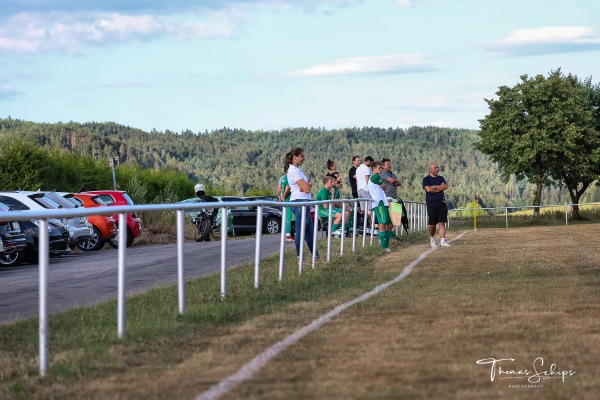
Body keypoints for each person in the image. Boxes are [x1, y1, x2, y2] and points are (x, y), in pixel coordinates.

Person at [286, 147, 321, 263]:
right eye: (302, 156)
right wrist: (307, 185)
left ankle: (316, 257)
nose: (304, 158)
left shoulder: (299, 169)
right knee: (301, 232)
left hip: (304, 202)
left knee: (309, 232)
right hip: (299, 202)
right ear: (295, 157)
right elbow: (307, 189)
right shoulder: (293, 171)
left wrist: (307, 184)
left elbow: (309, 183)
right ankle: (300, 258)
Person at [422, 162, 450, 248]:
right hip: (431, 204)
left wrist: (434, 187)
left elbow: (445, 186)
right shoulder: (426, 179)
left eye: (437, 168)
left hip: (441, 202)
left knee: (442, 223)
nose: (437, 169)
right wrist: (439, 187)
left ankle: (442, 241)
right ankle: (432, 238)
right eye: (435, 168)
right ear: (430, 169)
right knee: (433, 224)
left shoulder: (441, 178)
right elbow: (428, 190)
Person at [367, 162, 393, 252]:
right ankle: (384, 246)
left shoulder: (375, 177)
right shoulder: (375, 177)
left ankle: (385, 242)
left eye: (381, 168)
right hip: (379, 203)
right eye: (379, 168)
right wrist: (383, 186)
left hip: (383, 203)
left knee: (390, 224)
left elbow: (383, 187)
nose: (381, 169)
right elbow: (384, 187)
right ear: (373, 169)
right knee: (382, 224)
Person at [279, 166, 295, 242]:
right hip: (288, 201)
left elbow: (280, 190)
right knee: (288, 219)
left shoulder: (283, 179)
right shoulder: (288, 178)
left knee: (287, 218)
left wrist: (281, 197)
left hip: (285, 201)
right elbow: (287, 190)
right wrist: (284, 197)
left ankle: (288, 235)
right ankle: (288, 236)